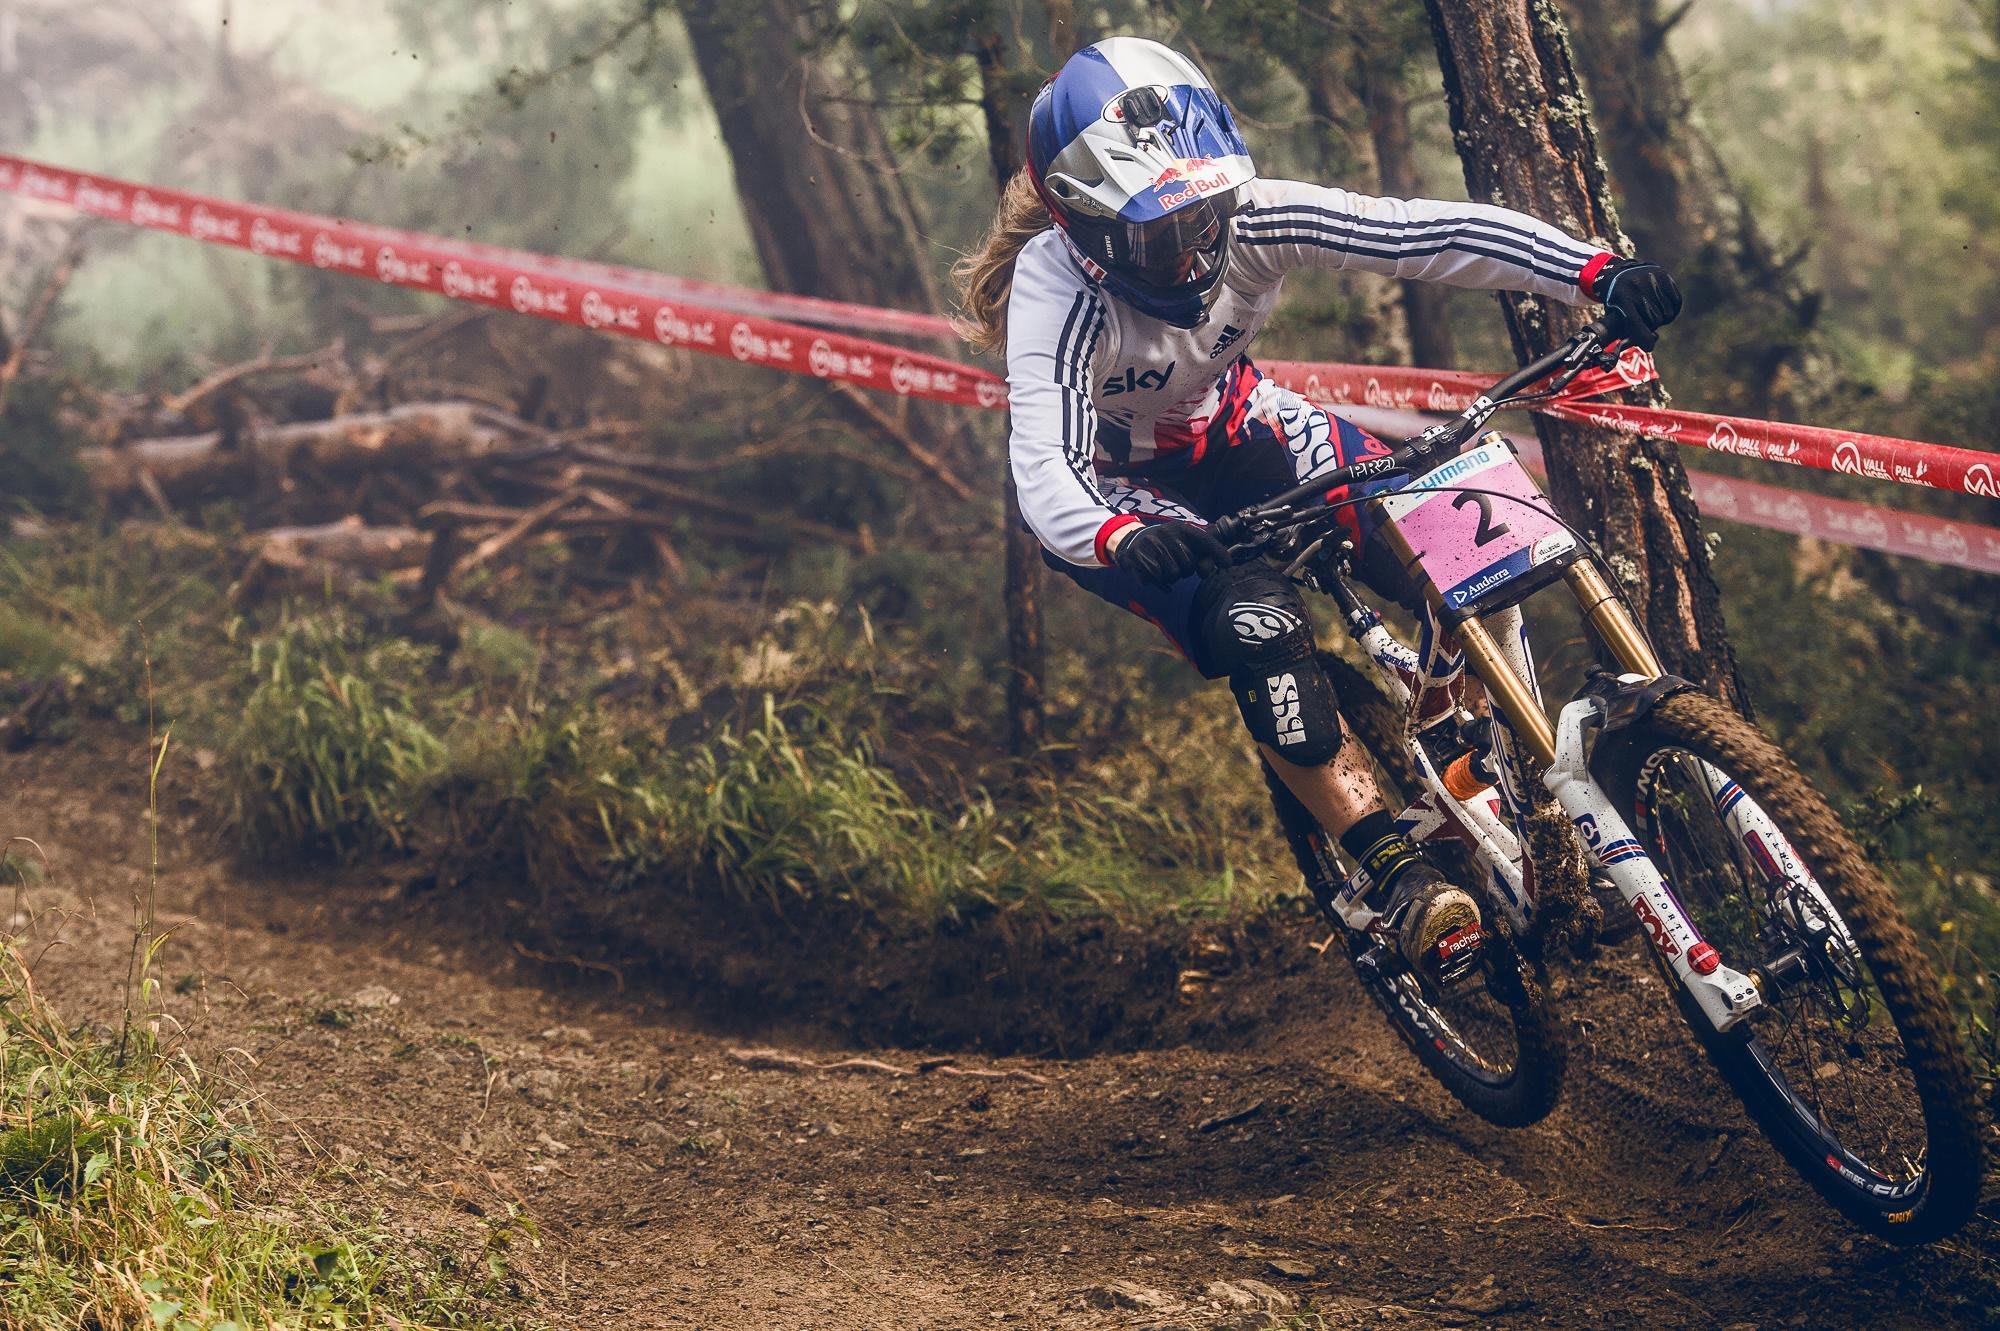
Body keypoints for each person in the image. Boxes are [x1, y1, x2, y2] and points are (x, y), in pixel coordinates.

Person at [952, 37, 1681, 991]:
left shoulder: (1252, 215)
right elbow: (1046, 467)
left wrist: (1590, 270)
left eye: (1200, 217)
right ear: (1085, 229)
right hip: (1124, 499)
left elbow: (1416, 233)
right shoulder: (1055, 288)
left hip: (1247, 431)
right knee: (1259, 627)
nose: (1190, 252)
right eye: (1154, 237)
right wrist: (1119, 535)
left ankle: (1475, 752)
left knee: (1460, 527)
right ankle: (1395, 872)